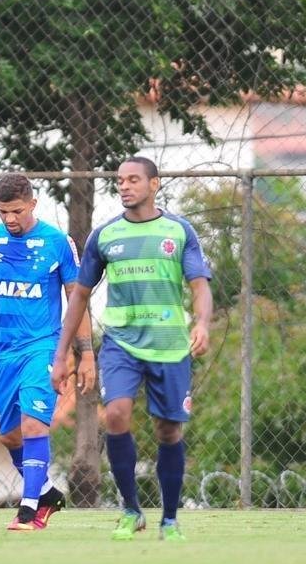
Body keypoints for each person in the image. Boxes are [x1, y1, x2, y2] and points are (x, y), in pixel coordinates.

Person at [52, 156, 211, 541]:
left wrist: (203, 322)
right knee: (117, 415)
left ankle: (170, 519)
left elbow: (200, 284)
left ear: (154, 184)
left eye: (133, 179)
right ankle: (131, 510)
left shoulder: (179, 230)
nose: (124, 186)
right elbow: (79, 297)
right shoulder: (104, 236)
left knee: (169, 430)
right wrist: (62, 354)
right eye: (120, 180)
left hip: (171, 345)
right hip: (121, 344)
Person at [0, 173, 93, 531]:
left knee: (34, 424)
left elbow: (76, 299)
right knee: (9, 435)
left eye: (17, 211)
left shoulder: (57, 243)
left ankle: (29, 508)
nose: (10, 219)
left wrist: (84, 354)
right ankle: (48, 493)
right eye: (3, 212)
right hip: (3, 352)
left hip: (44, 348)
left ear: (33, 204)